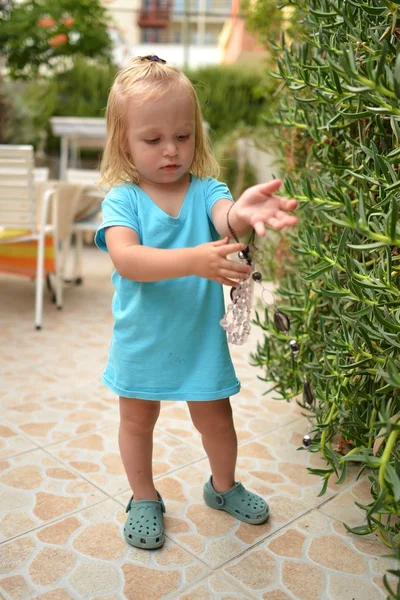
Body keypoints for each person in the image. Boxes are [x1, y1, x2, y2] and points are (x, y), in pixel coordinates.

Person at [95, 55, 298, 550]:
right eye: (153, 139)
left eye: (183, 137)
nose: (171, 150)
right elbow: (127, 259)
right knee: (137, 422)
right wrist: (192, 260)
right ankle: (144, 496)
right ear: (123, 141)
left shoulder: (209, 189)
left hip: (200, 340)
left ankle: (222, 486)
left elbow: (226, 217)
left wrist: (243, 213)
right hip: (141, 340)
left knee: (216, 421)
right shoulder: (123, 199)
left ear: (196, 136)